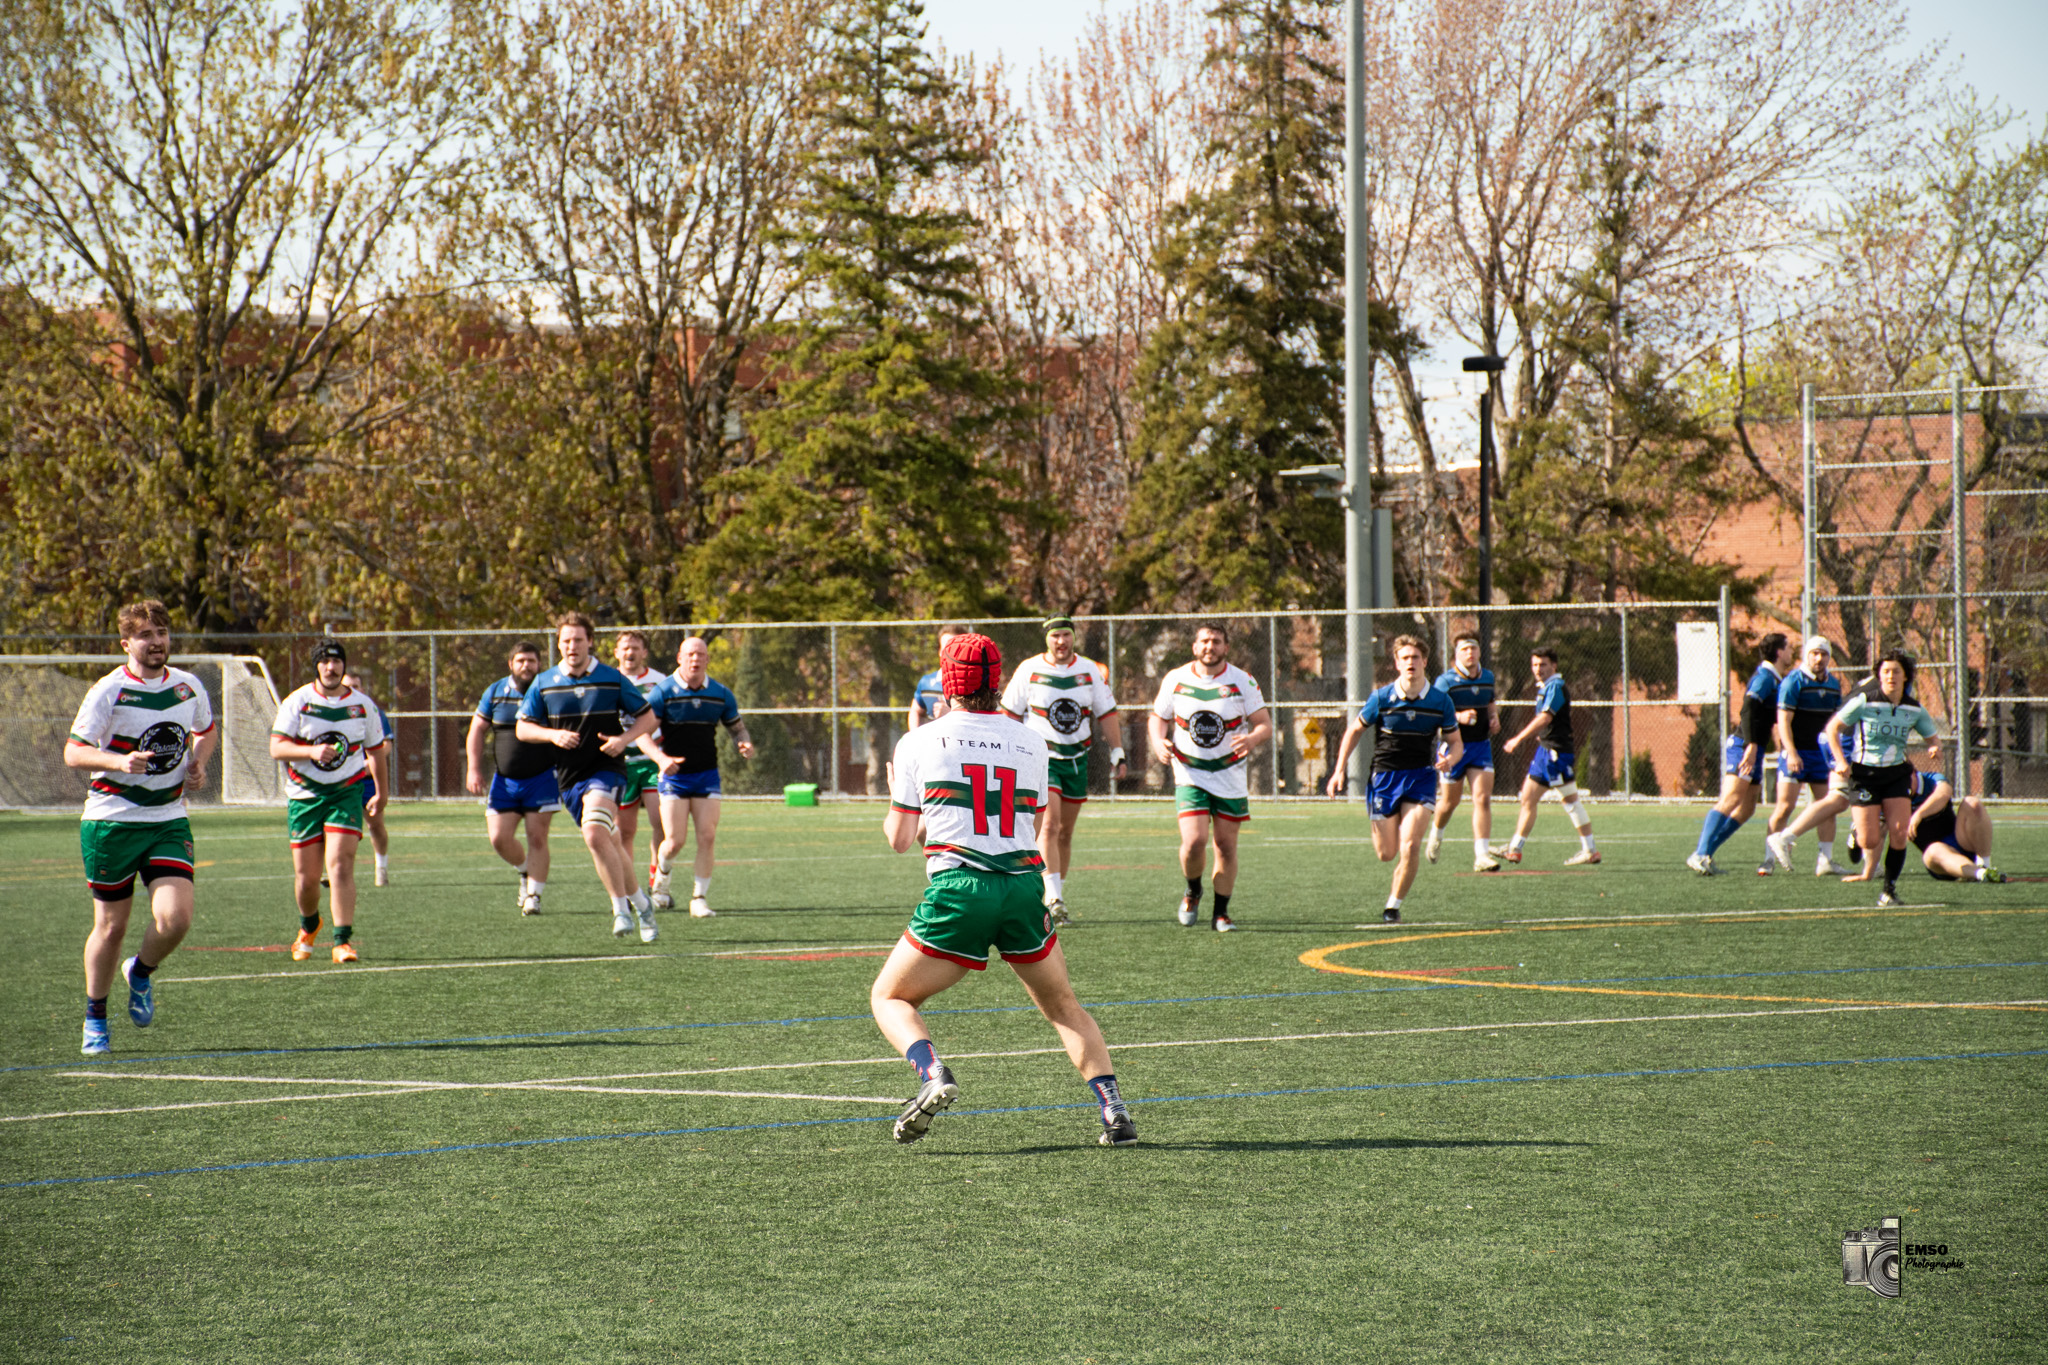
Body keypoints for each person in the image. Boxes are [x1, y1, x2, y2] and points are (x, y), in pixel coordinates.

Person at [871, 631, 1136, 1147]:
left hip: (959, 890)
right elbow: (1026, 822)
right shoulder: (1031, 740)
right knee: (1064, 1006)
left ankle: (932, 1075)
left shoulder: (918, 741)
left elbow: (902, 840)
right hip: (1020, 888)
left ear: (947, 681)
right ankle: (1115, 1112)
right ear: (999, 681)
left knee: (889, 997)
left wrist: (894, 796)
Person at [63, 600, 218, 1055]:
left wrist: (199, 763)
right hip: (112, 819)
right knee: (110, 927)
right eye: (146, 635)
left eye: (163, 632)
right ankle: (95, 1016)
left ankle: (141, 971)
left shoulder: (188, 687)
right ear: (126, 643)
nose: (157, 642)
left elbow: (206, 730)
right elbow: (74, 752)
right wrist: (119, 761)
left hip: (167, 817)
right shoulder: (108, 691)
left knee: (175, 919)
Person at [516, 614, 661, 941]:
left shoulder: (612, 679)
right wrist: (552, 735)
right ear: (558, 644)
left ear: (590, 642)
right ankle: (642, 904)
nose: (572, 646)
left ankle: (620, 910)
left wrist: (624, 740)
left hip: (607, 770)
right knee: (608, 841)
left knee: (595, 833)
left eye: (578, 640)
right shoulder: (545, 682)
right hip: (569, 778)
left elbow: (648, 717)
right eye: (566, 640)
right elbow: (522, 728)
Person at [999, 615, 1126, 927]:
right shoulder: (1029, 669)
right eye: (1055, 636)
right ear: (1047, 640)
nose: (1061, 641)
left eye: (1066, 635)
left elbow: (1107, 713)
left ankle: (1055, 892)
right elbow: (1009, 714)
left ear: (1073, 638)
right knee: (1050, 827)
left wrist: (1118, 751)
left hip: (1077, 759)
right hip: (1042, 759)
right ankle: (1053, 899)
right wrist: (1008, 751)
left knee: (1066, 833)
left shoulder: (1089, 671)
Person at [1325, 635, 1461, 923]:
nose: (1410, 662)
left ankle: (1392, 906)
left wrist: (1450, 759)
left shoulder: (1440, 701)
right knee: (1387, 853)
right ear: (1397, 664)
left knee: (1410, 845)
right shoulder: (1381, 697)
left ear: (1425, 661)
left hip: (1421, 777)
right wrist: (1339, 770)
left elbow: (1455, 742)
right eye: (1405, 658)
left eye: (1415, 657)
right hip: (1385, 777)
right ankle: (1391, 842)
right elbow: (1353, 732)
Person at [1148, 622, 1274, 932]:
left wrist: (1252, 739)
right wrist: (1157, 741)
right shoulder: (1175, 679)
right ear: (1194, 647)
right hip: (1189, 773)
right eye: (1204, 641)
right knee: (1193, 842)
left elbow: (1264, 724)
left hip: (1229, 774)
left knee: (1225, 847)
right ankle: (1193, 890)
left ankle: (1221, 913)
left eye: (1216, 641)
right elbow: (1157, 718)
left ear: (1225, 648)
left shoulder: (1242, 681)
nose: (1210, 646)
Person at [270, 640, 389, 963]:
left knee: (340, 865)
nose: (331, 667)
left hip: (345, 792)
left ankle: (342, 941)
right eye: (324, 662)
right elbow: (277, 748)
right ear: (316, 667)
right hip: (305, 795)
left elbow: (376, 751)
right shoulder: (298, 702)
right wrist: (310, 751)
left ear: (344, 666)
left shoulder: (363, 706)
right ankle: (309, 925)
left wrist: (383, 791)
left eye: (336, 662)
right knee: (307, 879)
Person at [638, 636, 756, 918]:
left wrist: (745, 741)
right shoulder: (663, 692)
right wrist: (661, 759)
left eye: (700, 654)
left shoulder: (720, 693)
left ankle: (699, 898)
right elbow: (641, 734)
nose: (695, 659)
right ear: (679, 658)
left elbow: (737, 728)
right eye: (690, 654)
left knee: (707, 835)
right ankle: (661, 879)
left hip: (706, 776)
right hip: (674, 778)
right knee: (674, 841)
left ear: (707, 659)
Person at [1824, 649, 1943, 907]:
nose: (1890, 676)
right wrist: (1841, 762)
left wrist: (1934, 746)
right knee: (1870, 840)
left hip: (1896, 775)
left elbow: (1932, 736)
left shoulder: (1913, 709)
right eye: (1885, 671)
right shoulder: (1865, 701)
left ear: (1905, 676)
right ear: (1878, 675)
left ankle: (1888, 890)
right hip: (1865, 775)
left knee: (1900, 834)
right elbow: (1832, 729)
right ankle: (1857, 833)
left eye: (1895, 671)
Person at [465, 641, 560, 916]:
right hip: (504, 781)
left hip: (542, 777)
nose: (526, 666)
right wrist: (473, 768)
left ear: (539, 663)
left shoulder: (548, 691)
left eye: (531, 660)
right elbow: (477, 730)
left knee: (537, 837)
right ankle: (525, 871)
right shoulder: (495, 691)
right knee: (499, 839)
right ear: (511, 664)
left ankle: (534, 896)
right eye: (520, 661)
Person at [1688, 632, 1792, 875]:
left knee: (1746, 809)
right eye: (1787, 648)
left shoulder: (1775, 678)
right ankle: (1700, 853)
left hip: (1753, 746)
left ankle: (1705, 854)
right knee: (1731, 799)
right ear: (1778, 652)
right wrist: (1752, 745)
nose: (1790, 653)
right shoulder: (1765, 676)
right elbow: (1748, 707)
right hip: (1744, 746)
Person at [1495, 646, 1599, 866]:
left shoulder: (1556, 686)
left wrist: (1518, 739)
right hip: (1545, 752)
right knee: (1527, 798)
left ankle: (1590, 850)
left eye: (1543, 664)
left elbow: (1545, 718)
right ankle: (1515, 848)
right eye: (1534, 664)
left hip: (1555, 754)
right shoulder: (1546, 687)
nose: (1538, 669)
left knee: (1570, 801)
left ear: (1554, 666)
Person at [1425, 633, 1501, 873]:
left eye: (1473, 649)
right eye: (1464, 649)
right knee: (1449, 802)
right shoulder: (1445, 682)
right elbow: (1435, 715)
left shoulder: (1488, 677)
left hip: (1480, 745)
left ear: (1479, 652)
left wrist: (1493, 717)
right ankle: (1436, 834)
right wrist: (1458, 717)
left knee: (1482, 798)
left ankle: (1482, 855)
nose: (1470, 653)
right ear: (1455, 655)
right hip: (1453, 746)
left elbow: (1490, 701)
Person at [1772, 635, 1847, 876]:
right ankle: (1770, 858)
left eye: (1823, 654)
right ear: (1807, 655)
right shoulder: (1793, 681)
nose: (1819, 658)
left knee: (1828, 806)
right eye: (1814, 653)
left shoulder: (1834, 684)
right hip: (1796, 753)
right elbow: (1783, 721)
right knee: (1785, 807)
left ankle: (1825, 860)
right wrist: (1791, 752)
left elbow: (1836, 723)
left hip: (1821, 756)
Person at [611, 631, 669, 897]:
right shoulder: (608, 681)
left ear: (644, 652)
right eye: (625, 648)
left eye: (635, 648)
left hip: (652, 761)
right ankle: (630, 887)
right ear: (616, 652)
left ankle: (658, 883)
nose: (630, 652)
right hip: (622, 763)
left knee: (661, 821)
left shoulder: (660, 682)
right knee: (625, 830)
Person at [340, 669, 395, 886]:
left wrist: (367, 764)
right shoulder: (332, 713)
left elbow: (386, 746)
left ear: (363, 689)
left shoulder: (373, 712)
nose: (352, 690)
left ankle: (381, 866)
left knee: (376, 826)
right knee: (338, 826)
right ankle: (335, 870)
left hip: (367, 779)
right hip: (341, 780)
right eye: (348, 686)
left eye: (356, 686)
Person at [1904, 768, 2006, 884]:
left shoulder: (1931, 779)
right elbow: (1881, 829)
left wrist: (1919, 814)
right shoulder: (1892, 797)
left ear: (1913, 773)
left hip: (1961, 841)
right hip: (1941, 860)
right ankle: (1981, 874)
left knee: (1972, 803)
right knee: (1933, 851)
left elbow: (1943, 793)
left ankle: (1985, 864)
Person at [907, 623, 969, 731]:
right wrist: (915, 736)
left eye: (955, 649)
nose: (951, 654)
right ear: (940, 651)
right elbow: (916, 711)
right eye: (946, 648)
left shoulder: (975, 686)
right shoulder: (926, 683)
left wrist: (951, 714)